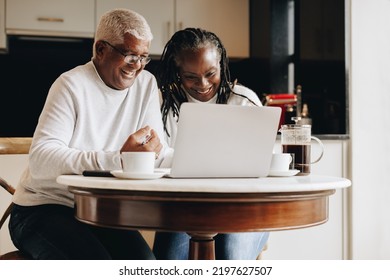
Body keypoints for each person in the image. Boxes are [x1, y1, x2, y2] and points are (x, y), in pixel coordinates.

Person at [8, 8, 167, 260]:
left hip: (100, 211)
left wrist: (186, 160)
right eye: (129, 54)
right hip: (43, 209)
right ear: (101, 49)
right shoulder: (71, 85)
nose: (136, 66)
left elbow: (156, 153)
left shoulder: (145, 84)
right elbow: (41, 159)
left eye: (143, 57)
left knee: (146, 266)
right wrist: (120, 160)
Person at [152, 27, 269, 260]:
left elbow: (263, 166)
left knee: (230, 256)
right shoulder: (161, 103)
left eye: (211, 73)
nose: (203, 84)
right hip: (181, 210)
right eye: (191, 77)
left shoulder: (243, 101)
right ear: (177, 73)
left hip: (243, 208)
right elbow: (153, 162)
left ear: (222, 65)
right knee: (169, 264)